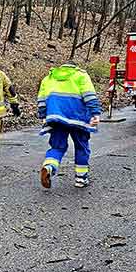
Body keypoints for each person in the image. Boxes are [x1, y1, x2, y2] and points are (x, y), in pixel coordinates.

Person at [37, 61, 101, 189]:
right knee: (81, 147)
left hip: (56, 118)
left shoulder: (49, 78)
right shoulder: (81, 75)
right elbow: (89, 96)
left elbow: (42, 101)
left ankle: (49, 167)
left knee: (57, 147)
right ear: (75, 67)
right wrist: (95, 113)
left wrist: (43, 116)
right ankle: (81, 179)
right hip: (78, 119)